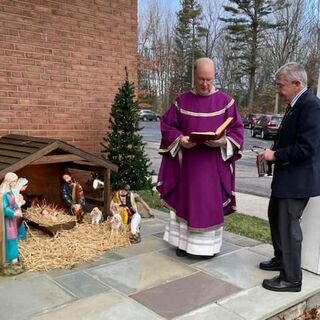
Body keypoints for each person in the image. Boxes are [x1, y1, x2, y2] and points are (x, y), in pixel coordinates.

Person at [157, 57, 244, 258]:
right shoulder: (181, 101)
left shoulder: (226, 102)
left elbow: (237, 131)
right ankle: (182, 243)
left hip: (212, 168)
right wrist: (180, 139)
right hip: (187, 167)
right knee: (185, 202)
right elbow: (167, 126)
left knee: (207, 206)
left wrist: (223, 142)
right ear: (194, 76)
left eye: (209, 80)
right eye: (201, 79)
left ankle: (208, 248)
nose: (205, 84)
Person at [258, 62, 320, 292]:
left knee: (288, 228)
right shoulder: (296, 104)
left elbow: (307, 147)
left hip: (297, 180)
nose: (277, 90)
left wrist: (275, 154)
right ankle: (280, 260)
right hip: (287, 177)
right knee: (275, 217)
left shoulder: (311, 106)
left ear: (297, 84)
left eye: (280, 85)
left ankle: (292, 279)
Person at [0, 172, 24, 274]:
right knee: (9, 239)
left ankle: (13, 258)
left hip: (12, 221)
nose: (15, 183)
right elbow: (4, 208)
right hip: (7, 222)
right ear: (9, 182)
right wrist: (14, 212)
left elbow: (13, 204)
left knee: (13, 238)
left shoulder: (9, 193)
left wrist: (18, 205)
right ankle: (9, 259)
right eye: (14, 181)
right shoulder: (3, 195)